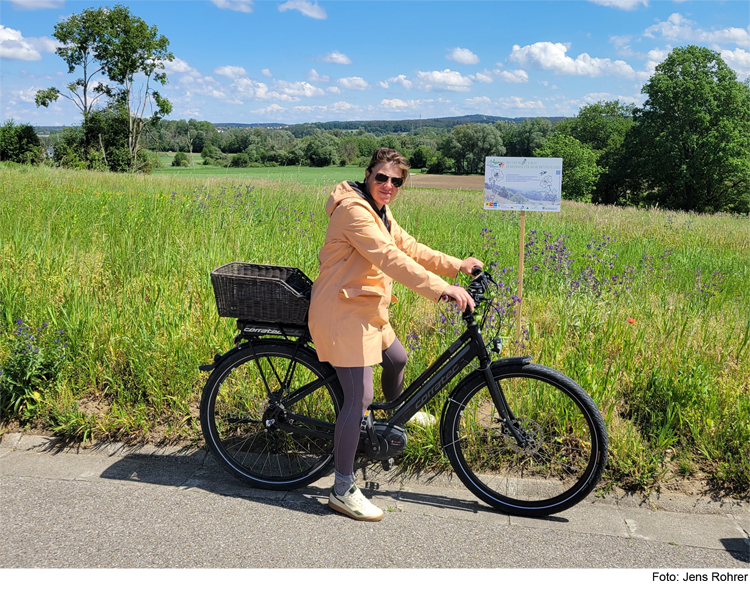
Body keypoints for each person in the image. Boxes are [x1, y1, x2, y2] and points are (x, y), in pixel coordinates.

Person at [308, 148, 483, 521]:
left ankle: (393, 419)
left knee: (398, 358)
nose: (388, 185)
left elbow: (409, 247)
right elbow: (390, 259)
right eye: (381, 177)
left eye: (396, 181)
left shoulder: (380, 211)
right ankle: (341, 488)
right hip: (342, 312)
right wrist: (442, 289)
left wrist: (457, 266)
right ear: (368, 174)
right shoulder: (355, 211)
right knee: (359, 397)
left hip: (365, 309)